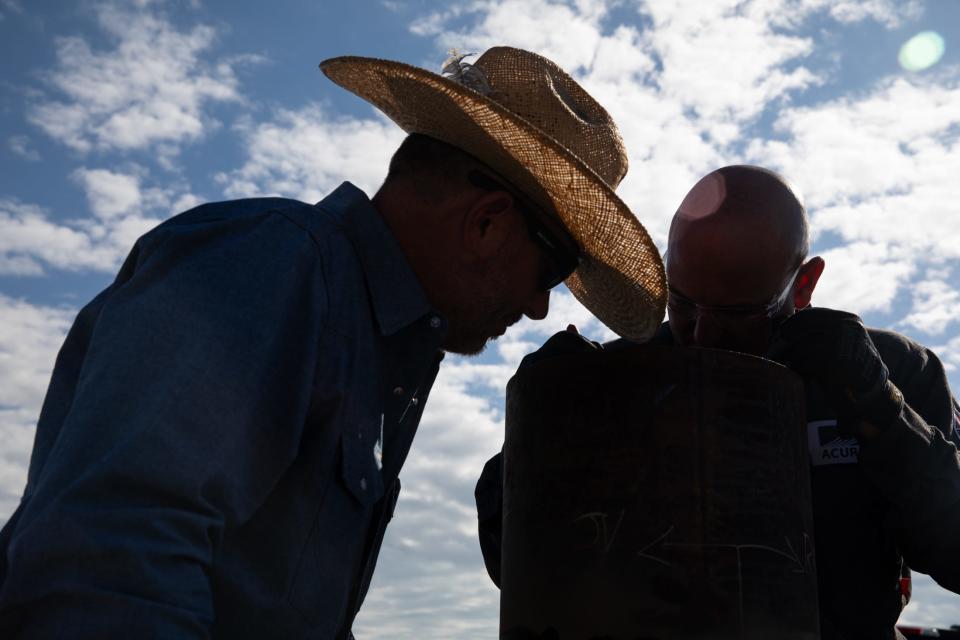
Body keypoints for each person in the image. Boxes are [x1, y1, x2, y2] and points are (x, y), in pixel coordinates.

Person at [0, 48, 666, 639]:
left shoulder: (382, 356)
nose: (538, 305)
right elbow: (106, 562)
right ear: (487, 224)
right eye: (549, 272)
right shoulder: (271, 266)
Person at [476, 165, 960, 640]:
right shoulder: (613, 380)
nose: (703, 334)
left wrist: (883, 412)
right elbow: (512, 566)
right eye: (682, 302)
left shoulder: (891, 371)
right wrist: (535, 441)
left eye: (738, 313)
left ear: (805, 284)